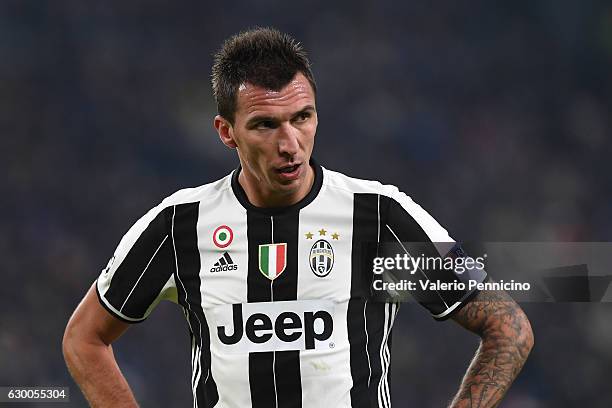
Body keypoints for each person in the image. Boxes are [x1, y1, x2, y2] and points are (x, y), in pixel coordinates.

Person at [62, 27, 534, 408]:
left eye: (302, 117)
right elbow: (85, 339)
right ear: (227, 133)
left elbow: (508, 329)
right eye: (266, 125)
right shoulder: (178, 224)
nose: (290, 143)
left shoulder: (376, 215)